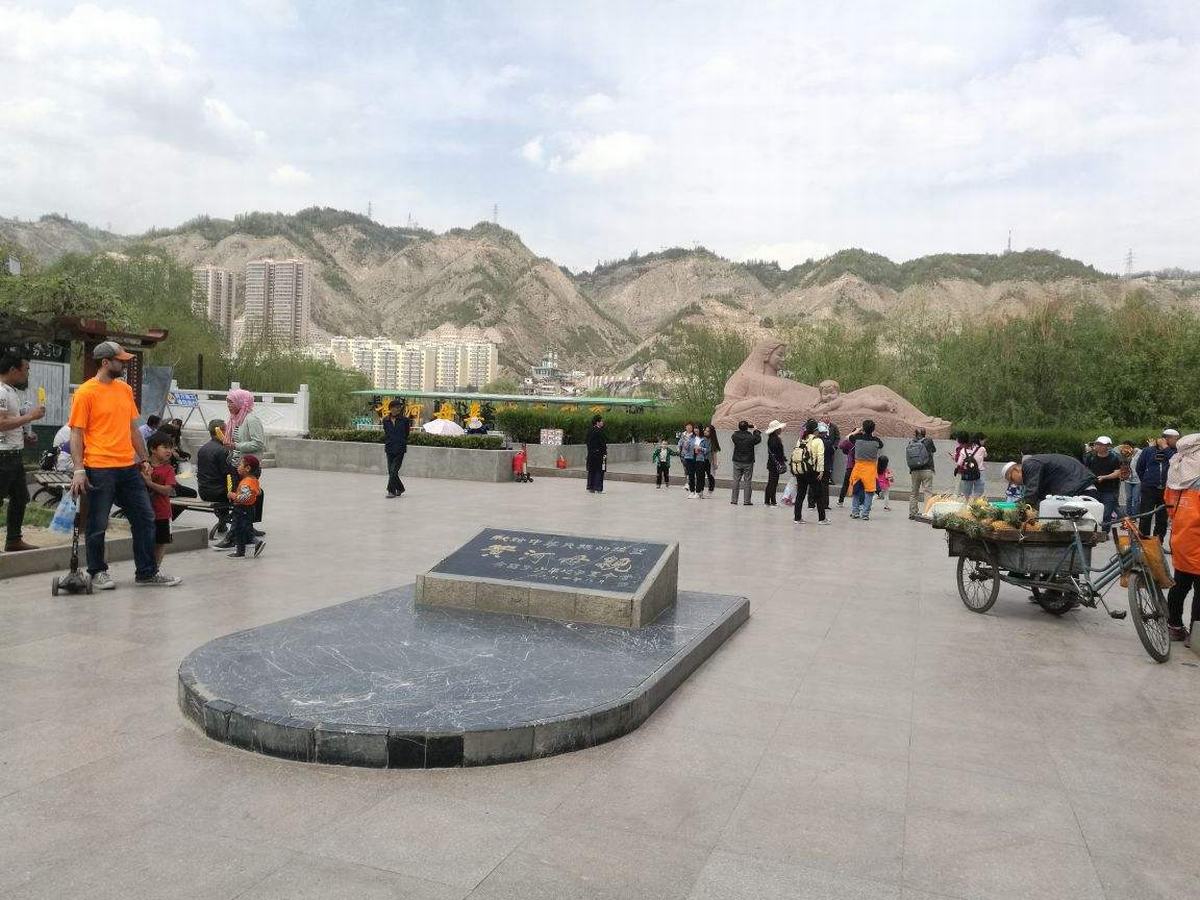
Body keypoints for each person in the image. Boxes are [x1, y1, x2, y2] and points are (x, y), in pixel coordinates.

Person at [67, 341, 181, 588]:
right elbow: (76, 433)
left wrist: (143, 459)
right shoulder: (86, 393)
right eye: (120, 360)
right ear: (105, 363)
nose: (125, 364)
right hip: (99, 467)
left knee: (145, 517)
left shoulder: (124, 390)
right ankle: (98, 572)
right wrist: (79, 469)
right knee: (98, 524)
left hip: (128, 467)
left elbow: (132, 428)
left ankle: (147, 572)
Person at [0, 352, 46, 552]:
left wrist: (25, 436)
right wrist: (30, 417)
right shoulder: (1, 392)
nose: (27, 374)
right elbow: (1, 423)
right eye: (25, 369)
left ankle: (13, 539)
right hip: (3, 456)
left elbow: (10, 423)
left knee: (20, 497)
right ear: (13, 370)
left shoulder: (11, 391)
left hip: (14, 453)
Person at [1164, 433, 1200, 641]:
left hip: (1180, 539)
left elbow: (1169, 510)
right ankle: (1195, 638)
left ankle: (1174, 626)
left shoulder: (1175, 475)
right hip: (1197, 541)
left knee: (1180, 585)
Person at [223, 388, 266, 539]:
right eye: (227, 401)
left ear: (241, 402)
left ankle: (233, 536)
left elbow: (258, 443)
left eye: (231, 402)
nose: (228, 405)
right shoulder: (234, 419)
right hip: (237, 465)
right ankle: (246, 531)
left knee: (241, 503)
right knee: (243, 503)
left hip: (248, 468)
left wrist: (236, 446)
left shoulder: (251, 419)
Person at [1001, 454, 1099, 508]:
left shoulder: (1030, 464)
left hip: (1080, 490)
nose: (1014, 483)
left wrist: (1014, 507)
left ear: (1016, 470)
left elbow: (1031, 495)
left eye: (1012, 479)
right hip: (1082, 488)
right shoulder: (1037, 468)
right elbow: (1039, 495)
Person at [1136, 429, 1179, 541]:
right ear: (1167, 438)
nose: (1177, 441)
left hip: (1166, 489)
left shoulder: (1175, 452)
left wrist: (1166, 448)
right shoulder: (1148, 451)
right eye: (1176, 439)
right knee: (1145, 516)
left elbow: (1175, 461)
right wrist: (1147, 480)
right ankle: (1144, 542)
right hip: (1149, 488)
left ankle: (1158, 542)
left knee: (1162, 519)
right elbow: (1139, 468)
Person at [143, 432, 177, 567]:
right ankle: (145, 568)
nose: (169, 451)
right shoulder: (142, 467)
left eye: (171, 447)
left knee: (161, 542)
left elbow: (168, 490)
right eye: (165, 447)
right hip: (145, 512)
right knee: (146, 541)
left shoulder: (168, 469)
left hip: (162, 512)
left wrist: (150, 483)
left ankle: (155, 569)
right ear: (153, 449)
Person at [196, 418, 234, 534]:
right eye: (227, 430)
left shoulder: (203, 449)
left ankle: (222, 523)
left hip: (203, 491)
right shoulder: (222, 450)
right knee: (251, 493)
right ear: (221, 431)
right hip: (217, 493)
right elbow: (227, 474)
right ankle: (245, 526)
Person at [226, 454, 265, 558]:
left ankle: (256, 543)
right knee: (243, 531)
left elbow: (244, 498)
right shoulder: (254, 480)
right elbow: (258, 492)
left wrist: (233, 495)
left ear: (247, 468)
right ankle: (240, 551)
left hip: (242, 510)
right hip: (249, 509)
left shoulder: (245, 483)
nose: (238, 467)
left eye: (240, 465)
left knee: (242, 531)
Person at [791, 418, 828, 524]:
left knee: (800, 494)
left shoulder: (801, 439)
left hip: (801, 470)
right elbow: (820, 456)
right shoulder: (818, 440)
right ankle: (822, 518)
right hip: (813, 471)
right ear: (816, 430)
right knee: (818, 495)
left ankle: (797, 518)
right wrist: (821, 471)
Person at [848, 420, 884, 520]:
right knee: (869, 492)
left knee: (856, 491)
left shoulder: (857, 438)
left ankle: (855, 512)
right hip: (871, 469)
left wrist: (857, 431)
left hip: (858, 467)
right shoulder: (876, 441)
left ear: (863, 428)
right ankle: (865, 514)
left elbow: (849, 437)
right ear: (873, 429)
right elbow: (881, 445)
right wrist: (872, 434)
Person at [1083, 436, 1123, 523]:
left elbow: (1117, 473)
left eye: (1101, 445)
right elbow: (1086, 470)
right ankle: (1095, 533)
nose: (1098, 446)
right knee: (1093, 512)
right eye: (1097, 444)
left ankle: (1104, 533)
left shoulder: (1114, 458)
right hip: (1093, 490)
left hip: (1109, 490)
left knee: (1106, 514)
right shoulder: (1090, 457)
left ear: (1108, 446)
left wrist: (1104, 477)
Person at [906, 427, 937, 519]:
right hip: (927, 469)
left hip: (914, 470)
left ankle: (912, 513)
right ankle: (927, 513)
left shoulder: (911, 442)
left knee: (914, 492)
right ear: (924, 433)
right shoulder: (928, 441)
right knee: (927, 492)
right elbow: (934, 450)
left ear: (915, 434)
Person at [729, 420, 761, 506]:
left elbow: (733, 436)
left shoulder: (735, 435)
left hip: (737, 461)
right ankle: (747, 501)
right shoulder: (751, 437)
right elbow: (758, 439)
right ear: (747, 428)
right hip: (748, 461)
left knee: (736, 480)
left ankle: (734, 500)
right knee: (747, 481)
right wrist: (755, 429)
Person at [383, 401, 411, 498]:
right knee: (391, 471)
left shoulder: (405, 420)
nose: (398, 409)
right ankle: (400, 488)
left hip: (400, 448)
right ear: (390, 408)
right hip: (389, 448)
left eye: (399, 407)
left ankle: (391, 491)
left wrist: (401, 441)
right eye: (396, 407)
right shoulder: (385, 420)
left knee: (394, 470)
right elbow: (386, 433)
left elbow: (407, 433)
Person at [763, 420, 787, 506]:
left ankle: (770, 500)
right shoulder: (775, 440)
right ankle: (770, 501)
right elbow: (777, 453)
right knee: (773, 483)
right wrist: (782, 459)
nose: (781, 429)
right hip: (774, 464)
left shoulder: (772, 438)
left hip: (772, 464)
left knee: (772, 482)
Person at [955, 433, 987, 498]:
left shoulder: (963, 450)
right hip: (979, 472)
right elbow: (985, 455)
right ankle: (975, 504)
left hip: (967, 473)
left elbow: (959, 463)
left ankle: (967, 504)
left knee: (966, 493)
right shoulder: (982, 449)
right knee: (978, 492)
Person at [585, 414, 606, 493]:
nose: (602, 422)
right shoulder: (599, 431)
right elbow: (602, 443)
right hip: (599, 454)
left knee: (591, 470)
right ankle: (598, 488)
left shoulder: (589, 430)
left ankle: (591, 487)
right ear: (597, 422)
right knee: (599, 471)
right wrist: (604, 452)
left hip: (591, 454)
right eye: (601, 421)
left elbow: (587, 442)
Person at [678, 423, 698, 498]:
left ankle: (692, 486)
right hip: (684, 455)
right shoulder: (683, 435)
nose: (688, 428)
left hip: (693, 456)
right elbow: (680, 442)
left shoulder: (694, 436)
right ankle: (688, 484)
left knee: (691, 471)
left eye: (690, 427)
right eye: (687, 427)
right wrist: (679, 448)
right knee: (686, 470)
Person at [702, 425, 721, 495]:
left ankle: (710, 490)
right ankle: (700, 490)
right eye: (705, 430)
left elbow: (714, 453)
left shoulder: (712, 441)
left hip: (709, 461)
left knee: (710, 475)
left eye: (708, 431)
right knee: (701, 475)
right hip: (702, 459)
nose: (705, 432)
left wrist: (715, 463)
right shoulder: (702, 439)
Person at [693, 427, 711, 499]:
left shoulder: (704, 439)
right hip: (693, 458)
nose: (696, 430)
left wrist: (700, 448)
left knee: (700, 476)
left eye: (697, 429)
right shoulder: (693, 438)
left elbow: (707, 450)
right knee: (697, 475)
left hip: (701, 459)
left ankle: (698, 492)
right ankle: (699, 492)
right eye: (695, 428)